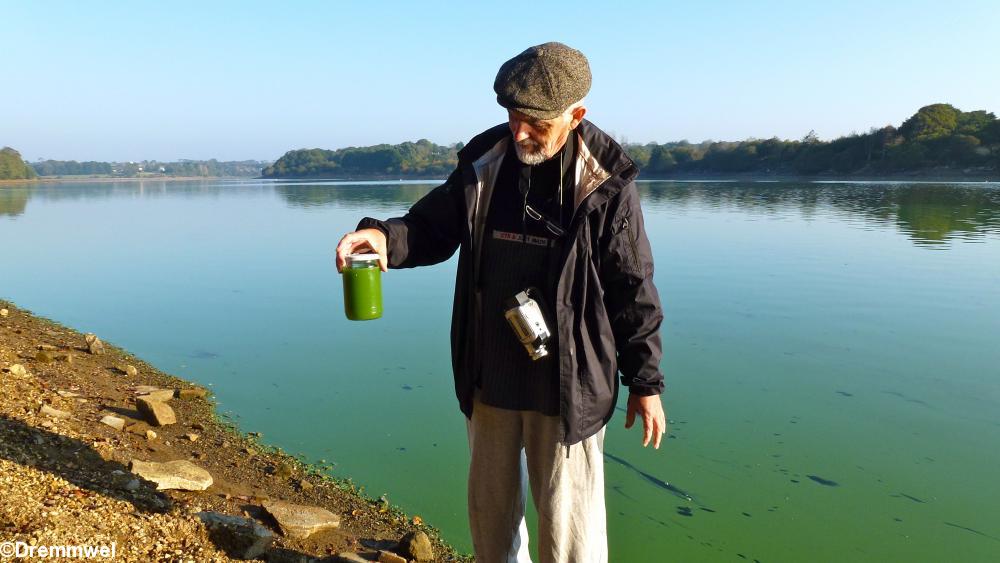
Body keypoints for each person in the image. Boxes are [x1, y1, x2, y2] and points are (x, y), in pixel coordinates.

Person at [335, 42, 665, 563]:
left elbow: (632, 285)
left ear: (577, 115)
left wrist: (645, 381)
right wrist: (381, 238)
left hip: (568, 386)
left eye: (535, 121)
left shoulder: (606, 182)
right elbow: (429, 228)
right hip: (489, 373)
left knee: (571, 537)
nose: (519, 132)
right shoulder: (484, 162)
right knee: (492, 528)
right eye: (512, 115)